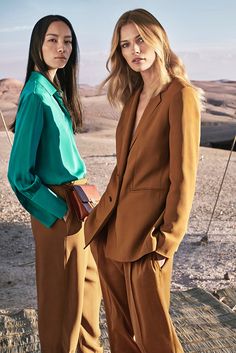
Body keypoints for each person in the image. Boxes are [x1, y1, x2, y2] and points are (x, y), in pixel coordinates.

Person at [84, 8, 202, 353]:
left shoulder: (180, 94)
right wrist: (98, 220)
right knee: (120, 333)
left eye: (139, 40)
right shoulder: (134, 97)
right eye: (124, 45)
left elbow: (184, 176)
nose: (133, 50)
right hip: (111, 231)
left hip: (149, 238)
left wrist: (168, 241)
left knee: (155, 337)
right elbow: (123, 169)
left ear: (158, 39)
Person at [8, 15, 102, 353]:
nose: (62, 48)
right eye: (53, 40)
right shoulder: (35, 94)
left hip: (79, 204)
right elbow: (19, 174)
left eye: (68, 42)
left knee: (88, 299)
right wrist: (59, 211)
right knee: (63, 309)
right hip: (60, 211)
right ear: (37, 44)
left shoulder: (53, 90)